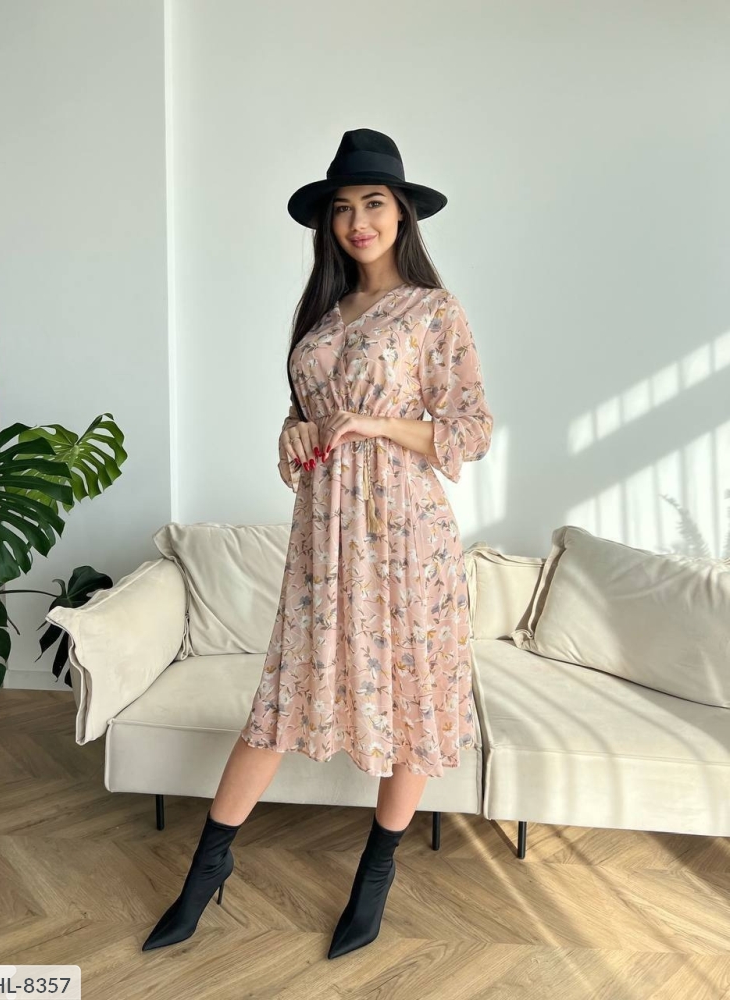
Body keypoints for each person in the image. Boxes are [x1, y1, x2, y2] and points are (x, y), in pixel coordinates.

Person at [142, 128, 494, 959]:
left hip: (405, 535)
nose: (357, 221)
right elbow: (305, 422)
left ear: (401, 214)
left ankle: (375, 876)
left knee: (410, 699)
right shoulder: (324, 315)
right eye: (342, 208)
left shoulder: (432, 310)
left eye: (372, 203)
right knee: (278, 702)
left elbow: (471, 430)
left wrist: (372, 422)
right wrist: (291, 435)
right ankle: (207, 868)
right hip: (324, 540)